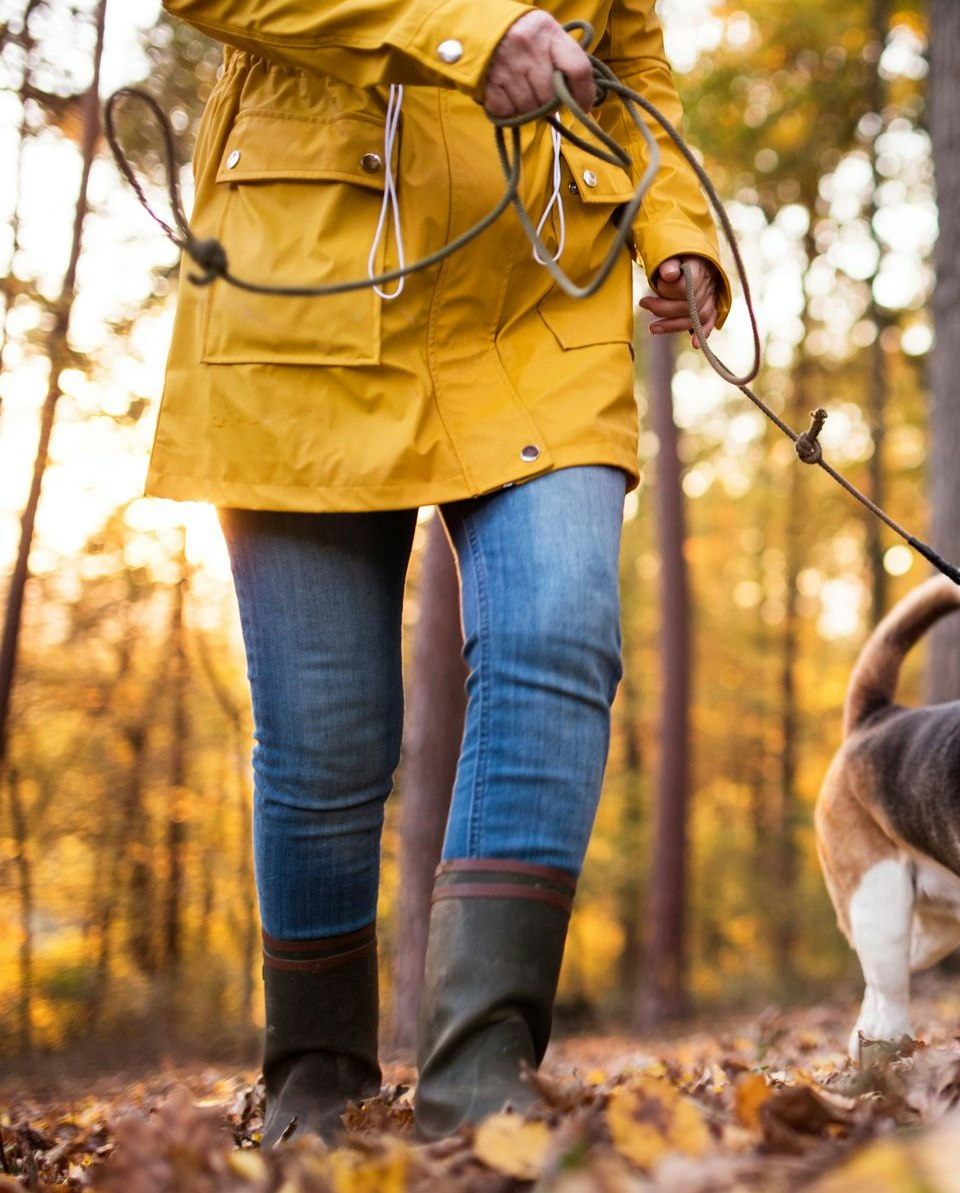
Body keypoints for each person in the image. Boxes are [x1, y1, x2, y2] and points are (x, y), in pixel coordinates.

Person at [146, 0, 725, 1144]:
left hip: (540, 289)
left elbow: (629, 53)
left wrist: (676, 221)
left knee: (558, 633)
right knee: (326, 735)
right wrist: (465, 28)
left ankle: (481, 1087)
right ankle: (316, 1084)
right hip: (305, 279)